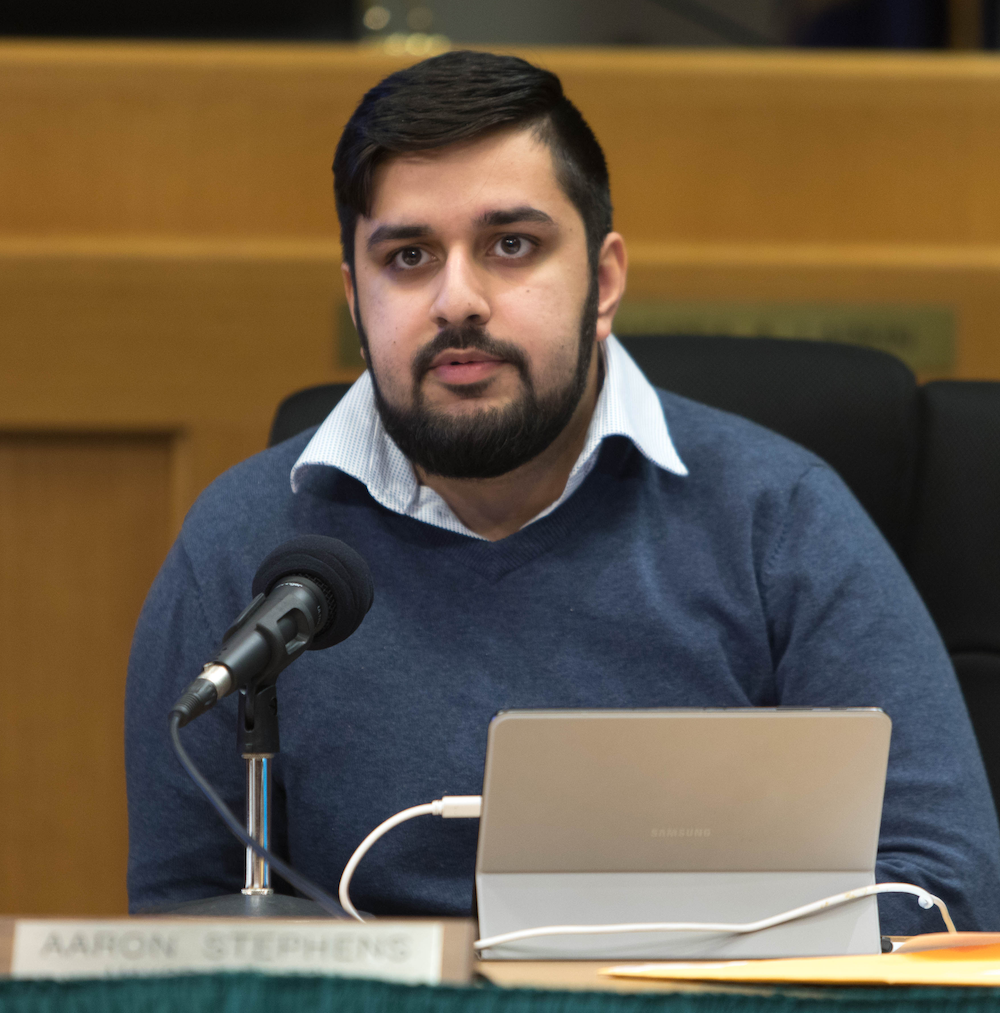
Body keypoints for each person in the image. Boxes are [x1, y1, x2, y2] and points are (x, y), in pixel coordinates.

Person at [125, 50, 1000, 933]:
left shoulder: (780, 520)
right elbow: (180, 916)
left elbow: (943, 887)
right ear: (356, 297)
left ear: (605, 281)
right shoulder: (243, 542)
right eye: (409, 256)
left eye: (511, 245)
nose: (457, 300)